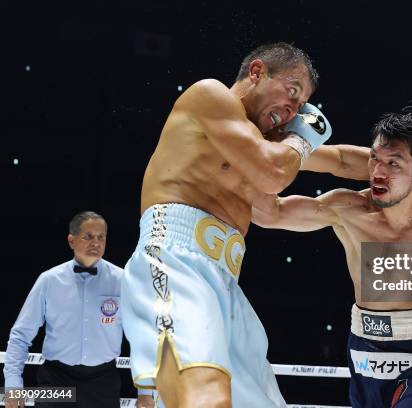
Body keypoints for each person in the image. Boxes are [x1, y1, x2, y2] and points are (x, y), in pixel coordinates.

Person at [121, 42, 374, 408]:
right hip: (175, 258)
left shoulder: (266, 144)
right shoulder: (209, 96)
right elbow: (272, 173)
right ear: (256, 72)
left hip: (225, 280)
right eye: (291, 92)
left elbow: (337, 160)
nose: (293, 111)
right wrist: (302, 138)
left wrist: (410, 169)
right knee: (204, 393)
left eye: (301, 107)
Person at [253, 108, 412, 407]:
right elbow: (268, 213)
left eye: (394, 163)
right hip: (364, 344)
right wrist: (265, 151)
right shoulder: (347, 209)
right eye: (375, 159)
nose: (379, 171)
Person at [3, 211, 154, 408]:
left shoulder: (122, 281)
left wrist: (145, 391)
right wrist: (13, 386)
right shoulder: (49, 281)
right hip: (56, 380)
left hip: (103, 382)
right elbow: (20, 335)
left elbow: (140, 337)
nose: (96, 243)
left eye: (101, 237)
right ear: (71, 241)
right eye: (88, 236)